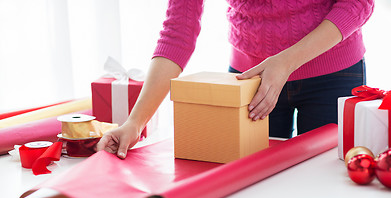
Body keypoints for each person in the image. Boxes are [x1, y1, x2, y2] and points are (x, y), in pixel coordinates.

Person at [97, 0, 374, 159]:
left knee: (326, 188)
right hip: (249, 83)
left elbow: (358, 3)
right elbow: (177, 31)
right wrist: (135, 122)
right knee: (252, 197)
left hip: (332, 73)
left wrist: (286, 62)